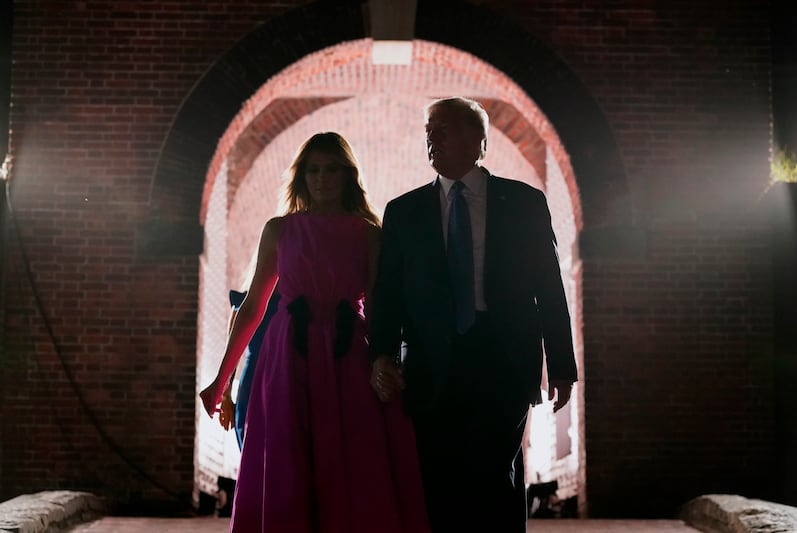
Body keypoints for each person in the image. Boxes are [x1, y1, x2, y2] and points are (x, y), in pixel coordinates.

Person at [200, 132, 429, 533]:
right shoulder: (279, 230)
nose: (322, 179)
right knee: (287, 455)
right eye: (313, 170)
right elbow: (252, 306)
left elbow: (380, 307)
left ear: (348, 175)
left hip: (349, 353)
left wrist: (387, 361)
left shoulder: (369, 233)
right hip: (288, 353)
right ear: (302, 176)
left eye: (331, 170)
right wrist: (222, 380)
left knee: (353, 455)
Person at [369, 97, 578, 533]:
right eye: (429, 130)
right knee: (437, 476)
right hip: (430, 363)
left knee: (495, 471)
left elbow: (548, 286)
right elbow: (388, 293)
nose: (432, 136)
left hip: (504, 358)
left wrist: (561, 365)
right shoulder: (404, 212)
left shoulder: (524, 203)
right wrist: (381, 354)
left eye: (443, 128)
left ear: (478, 139)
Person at [217, 289, 280, 450]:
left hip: (283, 381)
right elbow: (232, 347)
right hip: (254, 384)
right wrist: (225, 395)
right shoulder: (247, 297)